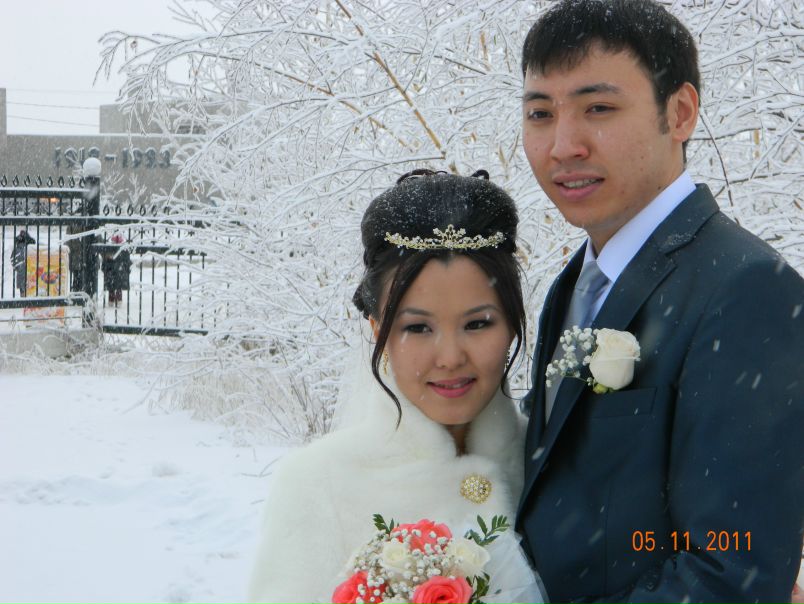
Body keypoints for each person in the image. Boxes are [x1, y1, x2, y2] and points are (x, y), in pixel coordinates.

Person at [515, 1, 804, 603]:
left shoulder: (746, 289)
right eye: (541, 113)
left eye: (598, 108)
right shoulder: (578, 282)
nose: (563, 145)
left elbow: (730, 576)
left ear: (680, 113)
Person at [248, 170, 543, 603]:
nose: (450, 357)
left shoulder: (551, 463)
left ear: (513, 324)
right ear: (378, 331)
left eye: (478, 323)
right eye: (418, 327)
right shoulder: (317, 485)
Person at [102, 233, 131, 307]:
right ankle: (118, 300)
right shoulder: (124, 250)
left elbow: (104, 263)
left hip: (111, 272)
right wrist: (127, 270)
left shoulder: (109, 251)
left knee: (111, 287)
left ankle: (111, 300)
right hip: (120, 272)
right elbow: (128, 263)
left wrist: (105, 269)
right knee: (118, 287)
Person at [11, 230, 36, 297]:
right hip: (27, 272)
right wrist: (18, 267)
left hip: (27, 272)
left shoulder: (29, 247)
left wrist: (18, 268)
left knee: (26, 290)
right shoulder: (20, 248)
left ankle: (24, 300)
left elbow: (13, 260)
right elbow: (13, 259)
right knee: (28, 290)